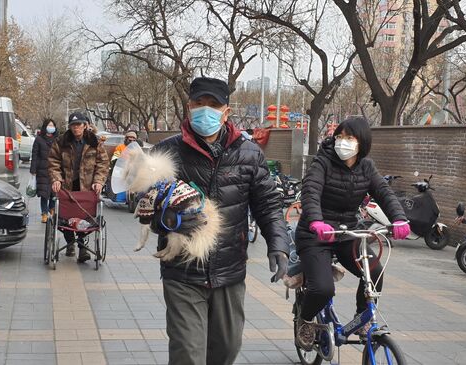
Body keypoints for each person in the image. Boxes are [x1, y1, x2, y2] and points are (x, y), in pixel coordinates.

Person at [151, 76, 289, 365]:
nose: (205, 110)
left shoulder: (249, 153)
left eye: (213, 105)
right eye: (199, 104)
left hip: (229, 271)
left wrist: (279, 244)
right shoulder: (168, 152)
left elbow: (268, 203)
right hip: (183, 270)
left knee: (227, 348)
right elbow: (147, 206)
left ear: (226, 111)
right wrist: (165, 219)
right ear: (189, 107)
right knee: (188, 353)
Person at [294, 116, 411, 351]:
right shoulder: (322, 162)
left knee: (375, 271)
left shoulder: (367, 167)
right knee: (323, 288)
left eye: (349, 138)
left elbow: (384, 193)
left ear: (362, 142)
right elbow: (311, 191)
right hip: (315, 234)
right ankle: (304, 320)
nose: (342, 142)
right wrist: (316, 221)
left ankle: (361, 319)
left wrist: (399, 218)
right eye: (340, 136)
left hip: (347, 233)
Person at [48, 112, 109, 262]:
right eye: (73, 125)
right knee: (65, 216)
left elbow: (103, 164)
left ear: (85, 125)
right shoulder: (61, 141)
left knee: (85, 216)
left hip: (88, 186)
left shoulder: (95, 142)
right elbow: (53, 161)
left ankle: (82, 246)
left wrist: (99, 181)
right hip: (67, 185)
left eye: (78, 125)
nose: (76, 128)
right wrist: (56, 179)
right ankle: (70, 243)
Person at [30, 119, 58, 223]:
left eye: (53, 125)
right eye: (49, 125)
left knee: (53, 192)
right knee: (44, 193)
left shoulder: (57, 139)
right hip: (42, 169)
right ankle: (44, 213)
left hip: (54, 169)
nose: (51, 127)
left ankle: (52, 209)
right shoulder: (39, 139)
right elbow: (34, 154)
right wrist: (33, 169)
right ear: (45, 126)